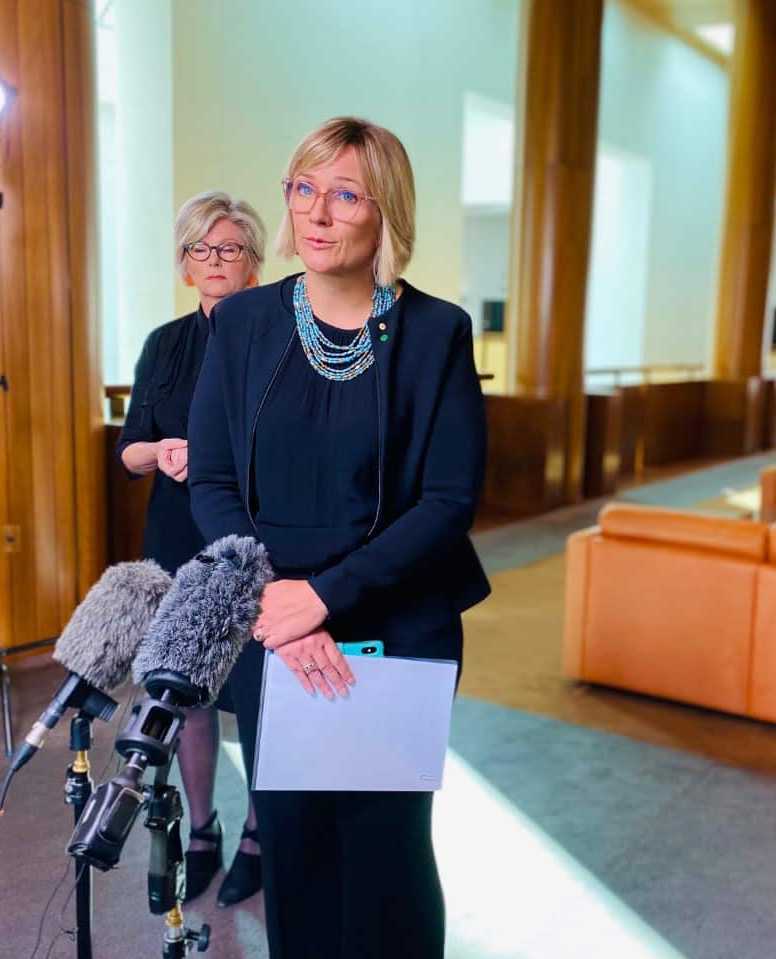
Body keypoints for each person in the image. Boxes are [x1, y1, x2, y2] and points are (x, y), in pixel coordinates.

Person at [187, 116, 489, 958]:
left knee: (387, 848)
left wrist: (323, 597)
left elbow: (447, 500)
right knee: (296, 843)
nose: (318, 213)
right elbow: (210, 479)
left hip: (397, 618)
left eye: (346, 193)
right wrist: (273, 600)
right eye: (304, 188)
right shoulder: (243, 324)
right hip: (270, 626)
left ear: (383, 209)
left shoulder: (436, 333)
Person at [116, 191, 267, 908]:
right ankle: (202, 830)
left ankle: (261, 837)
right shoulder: (163, 344)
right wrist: (164, 447)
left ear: (255, 263)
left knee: (261, 696)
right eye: (200, 250)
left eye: (230, 248)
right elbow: (129, 452)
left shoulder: (277, 337)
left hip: (251, 539)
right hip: (177, 536)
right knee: (190, 694)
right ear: (184, 264)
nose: (214, 262)